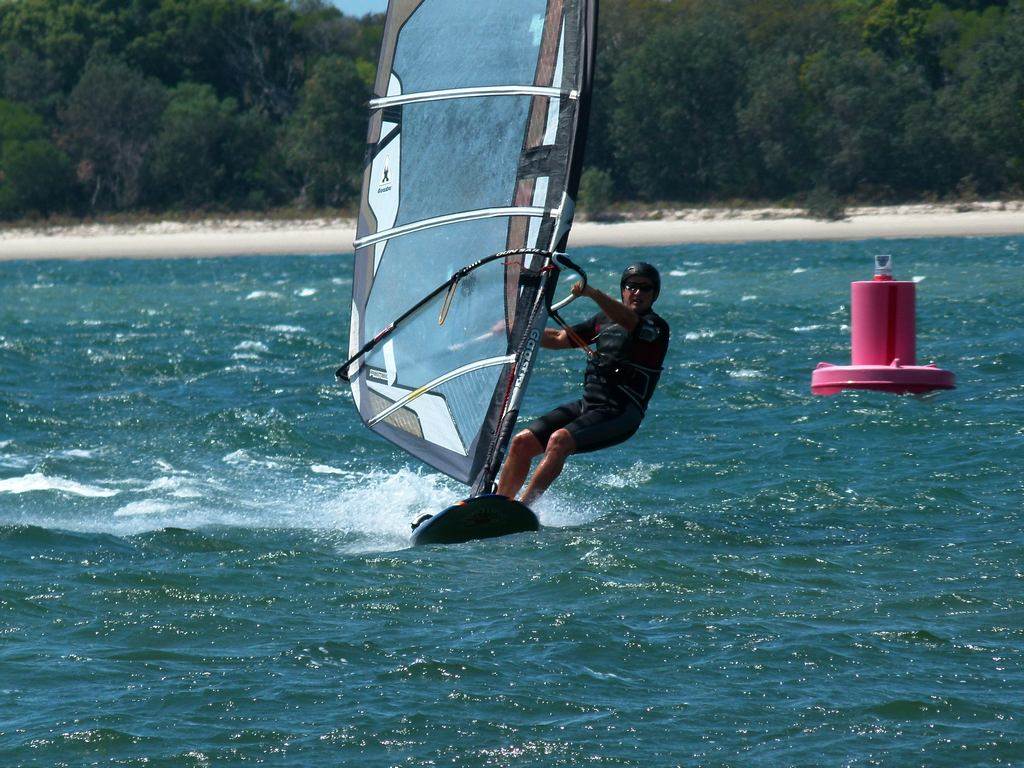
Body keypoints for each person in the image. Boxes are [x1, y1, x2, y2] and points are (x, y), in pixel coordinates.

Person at [497, 262, 670, 505]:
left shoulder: (656, 328)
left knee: (559, 440)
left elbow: (629, 321)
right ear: (623, 290)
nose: (638, 292)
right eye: (632, 286)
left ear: (654, 294)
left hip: (621, 413)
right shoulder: (603, 320)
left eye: (645, 288)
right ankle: (497, 505)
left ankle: (522, 509)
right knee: (521, 442)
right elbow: (559, 338)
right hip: (589, 406)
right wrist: (515, 331)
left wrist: (592, 293)